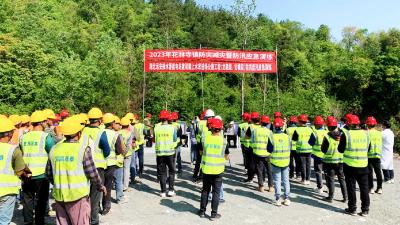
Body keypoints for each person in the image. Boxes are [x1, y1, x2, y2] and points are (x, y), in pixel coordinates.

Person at [46, 117, 106, 225]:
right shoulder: (82, 149)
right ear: (79, 133)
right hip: (78, 197)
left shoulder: (54, 149)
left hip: (60, 196)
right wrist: (100, 186)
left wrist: (59, 184)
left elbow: (49, 174)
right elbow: (92, 173)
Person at [20, 110, 56, 225]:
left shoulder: (24, 137)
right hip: (41, 174)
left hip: (26, 174)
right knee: (41, 201)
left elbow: (21, 152)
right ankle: (39, 222)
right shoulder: (46, 137)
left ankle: (28, 222)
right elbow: (53, 152)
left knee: (27, 200)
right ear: (42, 122)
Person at [82, 107, 111, 225]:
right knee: (95, 197)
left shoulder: (83, 131)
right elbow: (107, 151)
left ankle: (83, 218)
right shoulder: (101, 132)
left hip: (83, 166)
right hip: (98, 167)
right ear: (100, 120)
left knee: (84, 194)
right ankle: (93, 220)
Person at [0, 117, 31, 225]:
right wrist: (27, 177)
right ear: (8, 134)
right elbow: (20, 170)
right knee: (4, 221)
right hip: (7, 191)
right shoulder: (13, 150)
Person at [338, 115, 370, 217]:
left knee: (351, 188)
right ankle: (365, 210)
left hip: (350, 166)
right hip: (363, 165)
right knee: (364, 188)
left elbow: (340, 150)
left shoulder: (346, 134)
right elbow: (368, 149)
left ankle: (352, 209)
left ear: (349, 123)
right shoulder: (366, 134)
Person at [198, 118, 229, 220]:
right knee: (216, 192)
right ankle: (213, 214)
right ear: (220, 129)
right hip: (218, 171)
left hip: (206, 169)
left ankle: (202, 211)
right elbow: (226, 156)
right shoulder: (224, 141)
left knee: (205, 191)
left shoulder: (205, 139)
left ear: (211, 128)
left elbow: (201, 152)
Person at [102, 113, 125, 213]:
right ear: (112, 123)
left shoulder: (99, 132)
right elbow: (119, 150)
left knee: (99, 185)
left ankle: (98, 205)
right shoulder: (116, 134)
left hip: (100, 163)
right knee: (108, 185)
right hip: (111, 163)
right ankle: (107, 206)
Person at [321, 116, 347, 203]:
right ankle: (345, 197)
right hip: (341, 160)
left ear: (328, 126)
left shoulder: (327, 136)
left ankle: (330, 197)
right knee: (341, 178)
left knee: (331, 179)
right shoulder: (343, 134)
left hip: (329, 161)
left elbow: (323, 149)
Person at [246, 112, 273, 192]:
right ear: (268, 123)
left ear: (261, 122)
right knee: (269, 170)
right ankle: (271, 186)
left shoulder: (255, 131)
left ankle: (261, 186)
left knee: (259, 170)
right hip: (267, 154)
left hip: (257, 153)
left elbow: (252, 140)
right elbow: (272, 143)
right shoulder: (269, 132)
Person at [268, 117, 291, 206]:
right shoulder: (287, 137)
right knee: (286, 180)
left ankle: (278, 199)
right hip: (285, 161)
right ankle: (286, 198)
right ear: (282, 126)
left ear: (274, 126)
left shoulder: (272, 137)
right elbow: (289, 148)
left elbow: (269, 149)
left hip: (275, 162)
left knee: (277, 181)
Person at [154, 110, 177, 197]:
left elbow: (154, 140)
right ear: (168, 118)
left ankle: (163, 191)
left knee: (162, 173)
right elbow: (174, 139)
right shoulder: (172, 128)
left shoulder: (156, 128)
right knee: (171, 171)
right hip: (170, 153)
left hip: (160, 154)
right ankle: (171, 190)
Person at [194, 109, 215, 182]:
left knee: (199, 160)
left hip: (200, 144)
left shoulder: (200, 123)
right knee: (205, 160)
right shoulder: (213, 123)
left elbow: (196, 132)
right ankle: (201, 176)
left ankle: (196, 174)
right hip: (208, 145)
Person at [292, 114, 313, 185]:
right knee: (308, 165)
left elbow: (294, 139)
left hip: (301, 150)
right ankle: (308, 179)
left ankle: (304, 179)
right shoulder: (310, 129)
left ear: (300, 121)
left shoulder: (297, 129)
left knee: (303, 165)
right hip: (309, 149)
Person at [364, 116, 383, 194]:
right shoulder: (379, 133)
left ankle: (371, 188)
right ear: (375, 124)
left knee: (370, 172)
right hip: (377, 155)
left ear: (367, 124)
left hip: (369, 155)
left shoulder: (366, 133)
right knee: (378, 172)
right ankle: (380, 188)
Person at [309, 116, 328, 193]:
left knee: (318, 172)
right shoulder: (327, 132)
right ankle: (328, 187)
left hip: (317, 156)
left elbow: (310, 143)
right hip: (326, 156)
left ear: (316, 124)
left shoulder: (315, 133)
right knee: (327, 172)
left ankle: (320, 187)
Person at [119, 116, 135, 191]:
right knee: (126, 170)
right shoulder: (129, 133)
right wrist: (125, 153)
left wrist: (121, 153)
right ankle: (125, 186)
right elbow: (129, 145)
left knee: (120, 170)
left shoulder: (118, 132)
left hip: (119, 154)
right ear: (128, 125)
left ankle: (119, 185)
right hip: (127, 154)